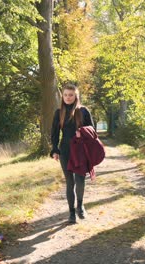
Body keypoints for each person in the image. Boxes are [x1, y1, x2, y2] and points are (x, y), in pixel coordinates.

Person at [50, 83, 95, 224]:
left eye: (71, 95)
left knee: (80, 181)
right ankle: (71, 213)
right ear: (62, 96)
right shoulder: (59, 113)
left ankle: (80, 206)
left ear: (76, 96)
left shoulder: (84, 111)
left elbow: (93, 131)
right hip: (65, 151)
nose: (68, 97)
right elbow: (55, 133)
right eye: (65, 95)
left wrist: (82, 132)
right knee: (70, 182)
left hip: (81, 151)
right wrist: (55, 150)